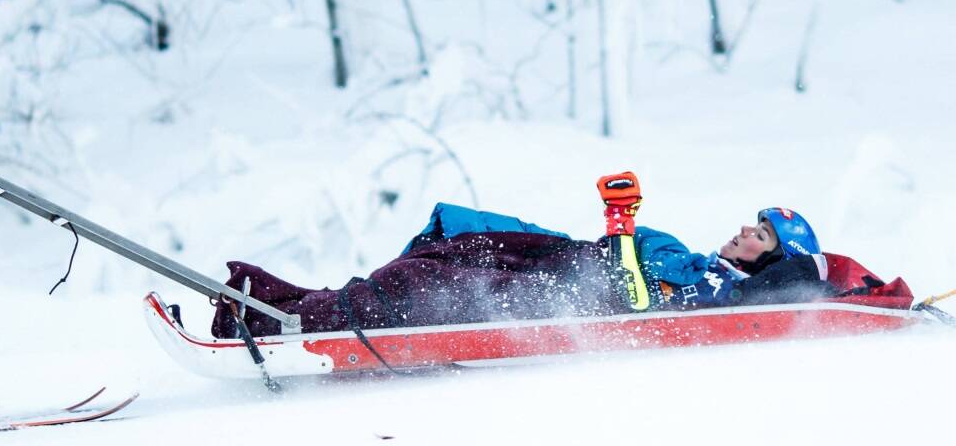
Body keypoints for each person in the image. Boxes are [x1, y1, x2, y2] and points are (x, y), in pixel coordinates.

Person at [211, 173, 839, 338]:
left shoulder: (718, 293)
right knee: (454, 242)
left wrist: (622, 225)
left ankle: (283, 319)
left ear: (768, 262)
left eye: (760, 236)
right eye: (751, 223)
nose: (742, 232)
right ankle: (299, 306)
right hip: (563, 261)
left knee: (418, 281)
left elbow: (638, 303)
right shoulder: (705, 263)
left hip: (569, 294)